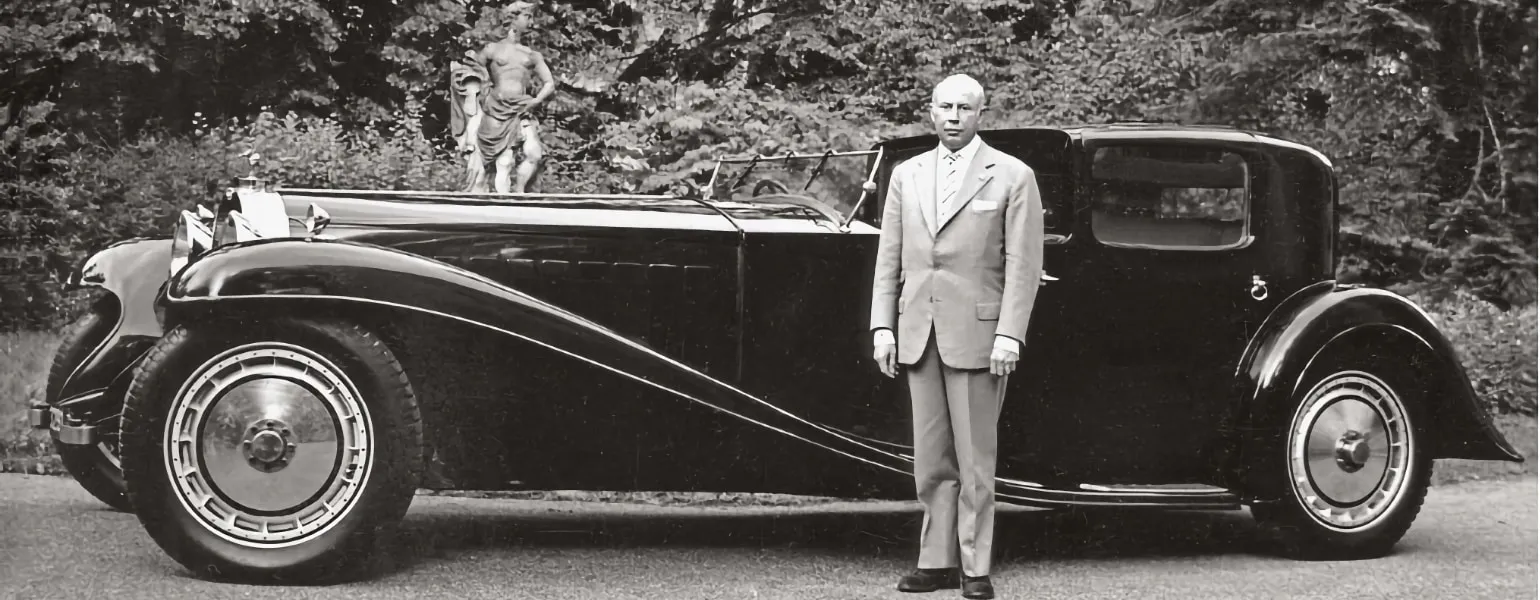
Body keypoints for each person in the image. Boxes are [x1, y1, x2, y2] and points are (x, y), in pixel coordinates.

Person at [868, 73, 1045, 600]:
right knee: (930, 460)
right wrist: (882, 325)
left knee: (975, 461)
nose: (953, 116)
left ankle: (974, 567)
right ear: (930, 111)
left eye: (964, 108)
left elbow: (1024, 264)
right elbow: (889, 256)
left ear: (980, 114)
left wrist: (1010, 334)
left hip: (981, 336)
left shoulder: (1013, 175)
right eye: (944, 106)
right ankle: (935, 561)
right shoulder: (906, 174)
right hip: (918, 331)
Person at [448, 2, 556, 193]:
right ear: (513, 19)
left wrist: (536, 101)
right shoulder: (492, 49)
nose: (531, 22)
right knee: (500, 160)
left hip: (522, 108)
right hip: (496, 108)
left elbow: (549, 83)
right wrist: (473, 88)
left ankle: (520, 192)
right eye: (527, 16)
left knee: (534, 154)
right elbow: (473, 70)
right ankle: (496, 193)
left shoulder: (532, 55)